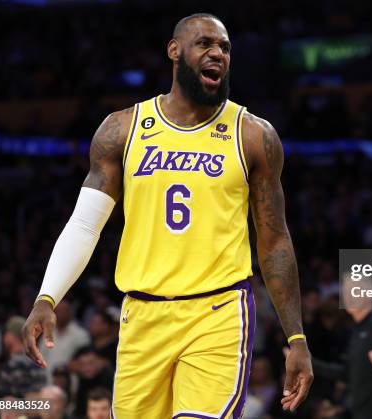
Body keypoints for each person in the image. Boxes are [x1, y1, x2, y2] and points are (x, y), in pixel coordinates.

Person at [21, 12, 312, 417]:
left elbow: (274, 239)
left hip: (219, 312)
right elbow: (86, 224)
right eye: (205, 44)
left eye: (225, 48)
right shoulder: (122, 129)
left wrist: (295, 336)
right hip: (142, 314)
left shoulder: (253, 135)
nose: (218, 54)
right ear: (174, 51)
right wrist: (47, 297)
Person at [311, 275, 372, 419]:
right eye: (346, 291)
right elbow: (346, 373)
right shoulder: (354, 330)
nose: (348, 296)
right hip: (361, 413)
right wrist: (310, 363)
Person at [0, 316, 47, 399]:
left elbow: (5, 397)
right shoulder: (37, 360)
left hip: (17, 410)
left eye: (6, 333)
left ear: (11, 336)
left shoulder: (14, 364)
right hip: (38, 409)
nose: (4, 337)